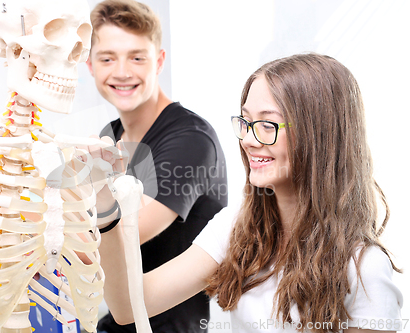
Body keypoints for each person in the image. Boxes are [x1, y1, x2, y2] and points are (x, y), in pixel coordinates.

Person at [96, 53, 403, 333]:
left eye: (267, 125)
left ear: (319, 133)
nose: (248, 140)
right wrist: (106, 211)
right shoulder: (235, 228)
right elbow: (128, 307)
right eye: (245, 121)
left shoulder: (364, 269)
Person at [85, 0, 228, 332]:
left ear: (159, 61)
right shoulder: (113, 136)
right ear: (90, 65)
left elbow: (123, 234)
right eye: (107, 58)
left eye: (137, 57)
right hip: (121, 319)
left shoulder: (191, 139)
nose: (121, 72)